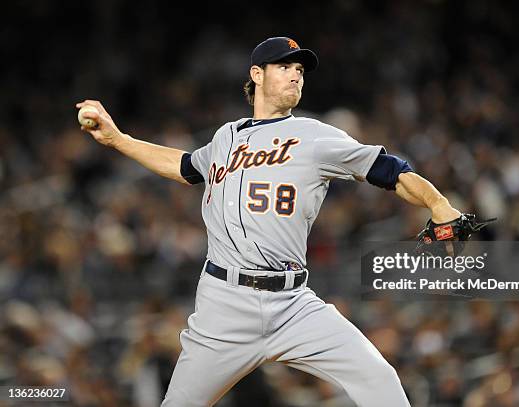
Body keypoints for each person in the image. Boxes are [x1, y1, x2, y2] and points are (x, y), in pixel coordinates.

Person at [77, 36, 461, 407]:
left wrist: (437, 202)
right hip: (223, 305)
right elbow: (183, 166)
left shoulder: (316, 137)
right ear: (257, 75)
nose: (296, 75)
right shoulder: (226, 137)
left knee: (379, 378)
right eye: (284, 67)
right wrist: (118, 140)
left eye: (300, 69)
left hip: (293, 304)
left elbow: (389, 169)